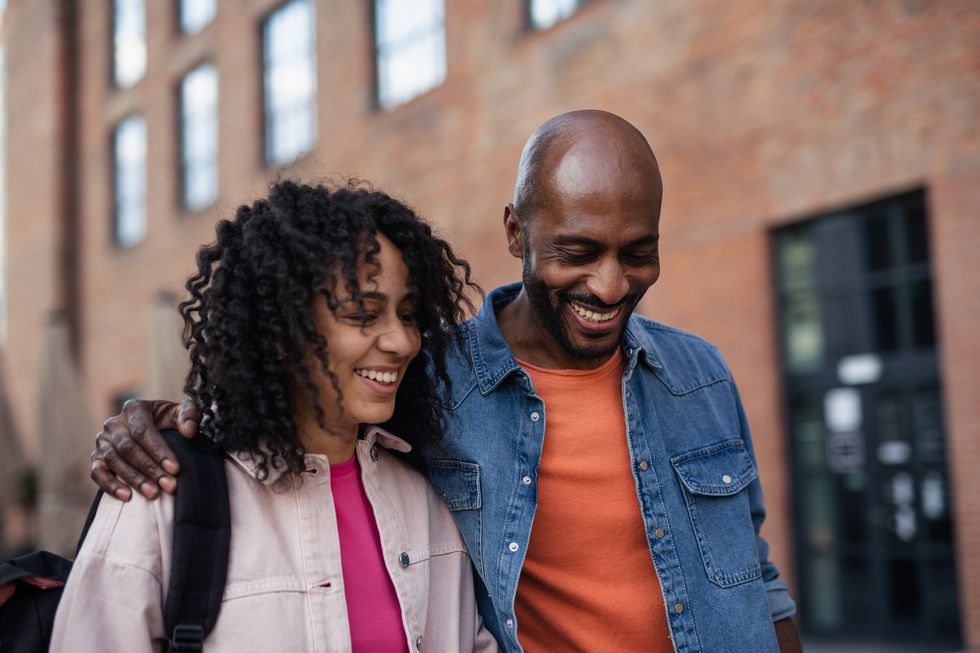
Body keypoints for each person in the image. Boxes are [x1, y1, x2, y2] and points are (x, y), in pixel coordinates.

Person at [90, 111, 803, 652]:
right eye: (578, 252)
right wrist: (172, 419)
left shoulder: (701, 374)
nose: (612, 284)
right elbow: (303, 394)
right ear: (516, 233)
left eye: (639, 253)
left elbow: (756, 579)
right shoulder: (429, 383)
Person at [54, 181, 499, 652]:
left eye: (407, 314)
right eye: (363, 315)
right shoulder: (159, 497)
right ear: (283, 332)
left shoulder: (428, 500)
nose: (402, 341)